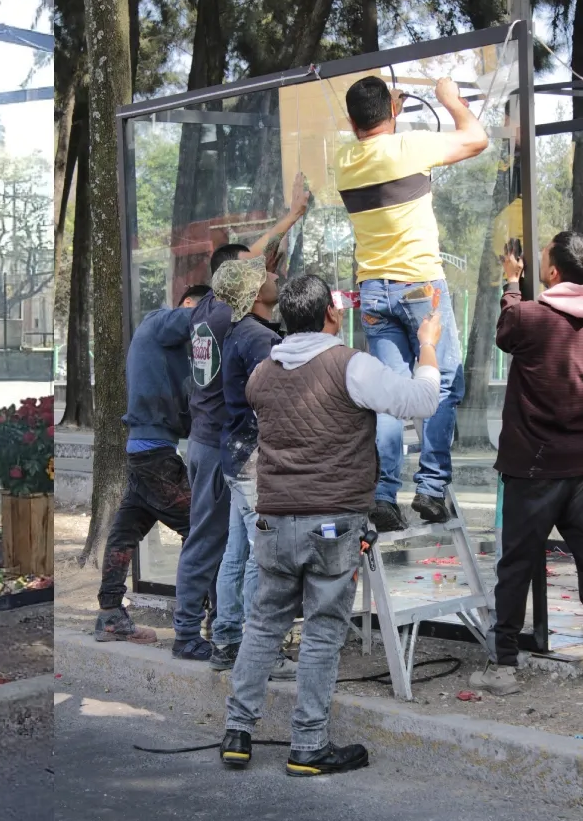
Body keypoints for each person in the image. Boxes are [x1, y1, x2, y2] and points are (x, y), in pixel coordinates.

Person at [220, 274, 440, 776]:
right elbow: (420, 401)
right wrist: (426, 346)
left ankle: (237, 732)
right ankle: (309, 745)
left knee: (263, 624)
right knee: (321, 631)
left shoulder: (261, 374)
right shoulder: (351, 366)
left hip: (274, 523)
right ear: (331, 316)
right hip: (332, 525)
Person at [472, 232, 583, 695]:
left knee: (515, 565)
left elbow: (506, 330)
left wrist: (511, 282)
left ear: (554, 272)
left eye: (542, 261)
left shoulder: (530, 317)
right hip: (581, 466)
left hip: (533, 468)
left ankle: (504, 668)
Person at [337, 75, 488, 531]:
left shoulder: (344, 160)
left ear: (351, 121)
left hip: (375, 291)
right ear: (394, 113)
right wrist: (449, 100)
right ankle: (430, 488)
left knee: (389, 395)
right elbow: (476, 138)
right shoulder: (408, 148)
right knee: (439, 385)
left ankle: (384, 494)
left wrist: (387, 110)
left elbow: (370, 133)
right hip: (420, 286)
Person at [174, 176, 310, 660]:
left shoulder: (206, 311)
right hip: (220, 443)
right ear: (239, 283)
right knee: (223, 543)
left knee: (228, 544)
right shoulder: (243, 329)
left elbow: (251, 256)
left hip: (209, 440)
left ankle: (224, 634)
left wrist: (292, 216)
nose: (265, 271)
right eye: (254, 271)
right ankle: (195, 632)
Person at [94, 284, 213, 644]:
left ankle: (110, 615)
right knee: (203, 532)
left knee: (125, 532)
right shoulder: (159, 322)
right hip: (155, 456)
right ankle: (204, 623)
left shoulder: (178, 354)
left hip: (146, 453)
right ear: (189, 305)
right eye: (200, 313)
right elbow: (192, 317)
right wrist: (217, 309)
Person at [206, 258, 296, 677]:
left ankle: (226, 640)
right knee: (263, 557)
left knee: (236, 552)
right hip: (253, 460)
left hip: (236, 454)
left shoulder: (239, 331)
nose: (276, 278)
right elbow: (278, 401)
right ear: (256, 293)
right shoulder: (259, 339)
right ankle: (261, 651)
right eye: (268, 277)